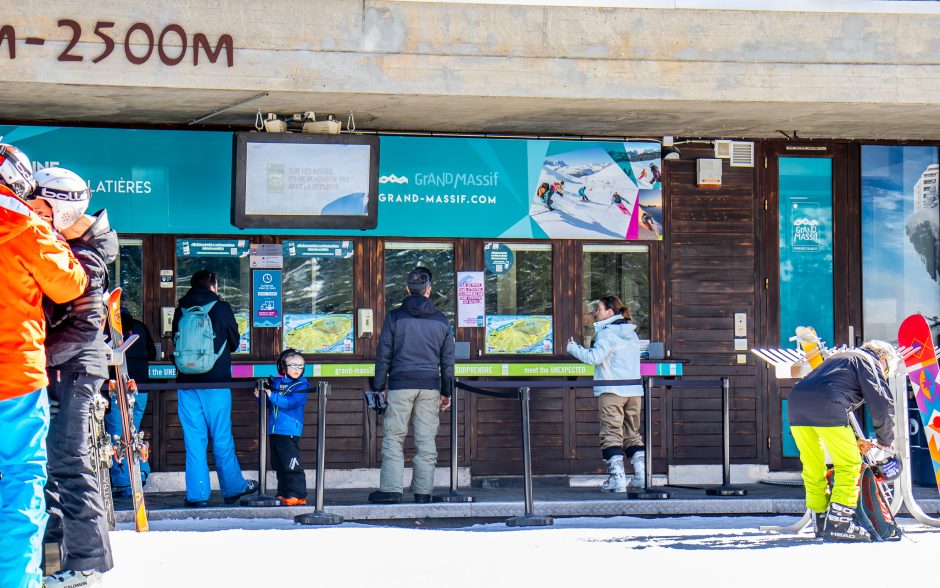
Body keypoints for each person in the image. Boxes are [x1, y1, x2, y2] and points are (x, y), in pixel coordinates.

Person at [0, 149, 87, 588]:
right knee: (21, 478)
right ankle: (15, 580)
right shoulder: (25, 227)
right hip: (15, 374)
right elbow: (70, 282)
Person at [27, 167, 118, 586]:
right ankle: (54, 558)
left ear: (63, 207)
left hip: (74, 369)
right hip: (63, 367)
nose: (34, 212)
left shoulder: (86, 254)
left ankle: (87, 565)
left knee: (70, 463)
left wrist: (35, 357)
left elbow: (86, 325)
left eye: (42, 205)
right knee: (49, 466)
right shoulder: (75, 241)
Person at [787, 341, 897, 542]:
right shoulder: (869, 361)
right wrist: (885, 441)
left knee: (813, 464)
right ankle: (839, 523)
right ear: (882, 359)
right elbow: (882, 404)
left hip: (796, 403)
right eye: (887, 370)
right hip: (827, 405)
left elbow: (833, 388)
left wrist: (855, 439)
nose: (885, 374)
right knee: (849, 464)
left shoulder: (840, 358)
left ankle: (820, 519)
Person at [172, 269, 258, 507]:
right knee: (221, 436)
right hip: (217, 383)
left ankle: (197, 495)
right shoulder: (222, 308)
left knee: (194, 440)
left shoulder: (181, 310)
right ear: (213, 285)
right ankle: (232, 488)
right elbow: (234, 343)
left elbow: (175, 342)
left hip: (186, 384)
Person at [368, 267, 455, 504]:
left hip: (399, 385)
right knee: (426, 440)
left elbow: (383, 355)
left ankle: (391, 490)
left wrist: (379, 387)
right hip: (429, 386)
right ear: (429, 291)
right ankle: (423, 492)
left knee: (394, 437)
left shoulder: (395, 317)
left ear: (407, 289)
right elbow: (448, 362)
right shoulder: (441, 321)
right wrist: (446, 392)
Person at [566, 296, 644, 493]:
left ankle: (617, 479)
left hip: (611, 390)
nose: (595, 313)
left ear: (610, 312)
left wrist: (573, 348)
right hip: (634, 391)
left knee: (611, 434)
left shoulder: (607, 333)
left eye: (599, 309)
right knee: (632, 434)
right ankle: (642, 476)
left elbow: (594, 358)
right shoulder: (632, 334)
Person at [105, 307, 157, 496]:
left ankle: (123, 481)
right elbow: (152, 354)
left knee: (118, 433)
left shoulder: (106, 329)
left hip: (117, 388)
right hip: (140, 387)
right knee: (133, 431)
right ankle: (140, 473)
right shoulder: (140, 328)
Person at [255, 349, 310, 506]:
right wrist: (261, 396)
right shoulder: (277, 383)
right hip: (274, 429)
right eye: (292, 365)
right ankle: (283, 492)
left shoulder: (302, 385)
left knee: (291, 462)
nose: (296, 369)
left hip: (289, 430)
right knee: (278, 463)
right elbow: (267, 404)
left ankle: (298, 494)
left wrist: (271, 395)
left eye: (300, 366)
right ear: (283, 366)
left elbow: (289, 403)